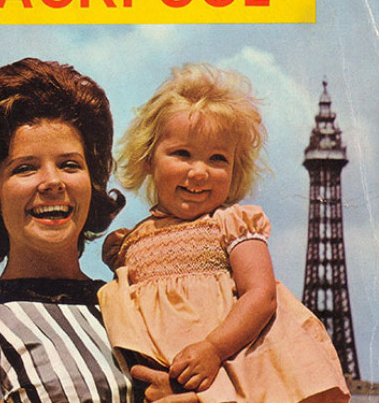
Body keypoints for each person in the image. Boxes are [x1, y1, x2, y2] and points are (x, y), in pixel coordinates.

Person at [0, 58, 193, 403]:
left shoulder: (139, 306)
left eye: (69, 165)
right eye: (25, 168)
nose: (52, 182)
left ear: (92, 182)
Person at [98, 63, 350, 403]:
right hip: (164, 372)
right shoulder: (137, 236)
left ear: (236, 169)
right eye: (182, 154)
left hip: (229, 365)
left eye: (218, 159)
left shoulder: (231, 224)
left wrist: (213, 348)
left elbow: (260, 295)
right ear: (148, 158)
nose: (199, 172)